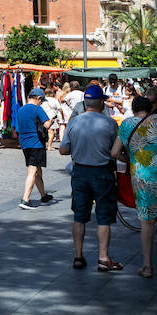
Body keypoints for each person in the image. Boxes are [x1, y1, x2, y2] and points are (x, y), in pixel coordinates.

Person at [112, 95, 157, 279]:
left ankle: (147, 267)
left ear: (133, 109)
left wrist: (132, 159)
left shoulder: (127, 125)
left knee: (146, 221)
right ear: (150, 108)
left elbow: (114, 152)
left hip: (141, 177)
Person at [59, 84, 122, 271]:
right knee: (104, 217)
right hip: (102, 172)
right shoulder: (109, 123)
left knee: (79, 215)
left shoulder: (74, 122)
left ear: (85, 103)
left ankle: (78, 256)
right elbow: (114, 151)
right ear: (102, 103)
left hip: (80, 173)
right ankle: (103, 258)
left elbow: (63, 149)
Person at [16, 88, 55, 210]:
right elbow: (47, 125)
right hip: (36, 143)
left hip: (24, 142)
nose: (41, 102)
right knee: (33, 171)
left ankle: (43, 196)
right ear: (38, 98)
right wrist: (52, 119)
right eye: (41, 100)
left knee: (37, 170)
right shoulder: (37, 109)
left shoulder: (21, 109)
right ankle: (25, 199)